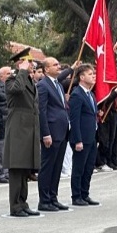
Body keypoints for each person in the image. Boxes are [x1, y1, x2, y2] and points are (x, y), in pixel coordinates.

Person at [3, 49, 40, 217]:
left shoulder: (30, 81)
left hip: (29, 128)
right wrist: (22, 71)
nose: (32, 65)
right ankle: (15, 206)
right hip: (18, 129)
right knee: (17, 169)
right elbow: (17, 89)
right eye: (29, 62)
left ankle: (23, 202)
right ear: (20, 63)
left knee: (25, 169)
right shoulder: (12, 80)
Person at [36, 57, 74, 212]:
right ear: (46, 69)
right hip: (51, 131)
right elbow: (42, 111)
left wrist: (72, 68)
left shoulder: (57, 83)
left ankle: (53, 197)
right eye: (55, 65)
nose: (59, 67)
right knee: (48, 166)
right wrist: (45, 133)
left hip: (62, 130)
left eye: (59, 64)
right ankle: (44, 200)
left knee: (57, 167)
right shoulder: (43, 86)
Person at [69, 64, 100, 207]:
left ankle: (85, 193)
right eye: (90, 74)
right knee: (79, 168)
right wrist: (77, 140)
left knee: (88, 168)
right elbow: (74, 120)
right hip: (81, 138)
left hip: (91, 137)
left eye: (93, 73)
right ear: (82, 77)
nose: (93, 76)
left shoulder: (90, 94)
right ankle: (76, 196)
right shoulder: (77, 94)